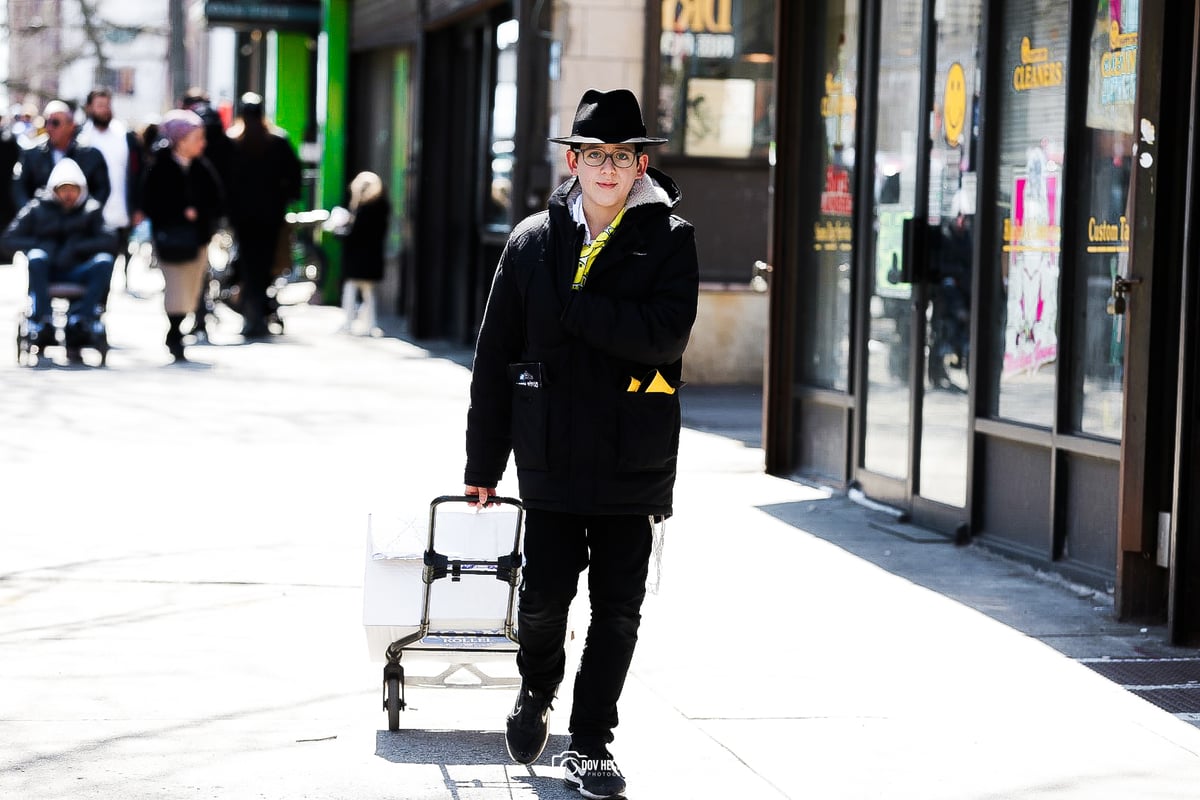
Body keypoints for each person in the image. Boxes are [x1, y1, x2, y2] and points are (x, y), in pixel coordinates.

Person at [462, 88, 698, 800]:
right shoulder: (534, 241)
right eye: (596, 155)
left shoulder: (670, 238)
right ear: (575, 160)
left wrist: (578, 310)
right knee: (543, 599)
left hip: (635, 454)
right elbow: (494, 353)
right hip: (551, 451)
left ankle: (591, 741)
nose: (608, 168)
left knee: (618, 609)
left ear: (638, 166)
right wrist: (483, 464)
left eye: (622, 157)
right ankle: (536, 691)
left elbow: (666, 336)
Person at [0, 158, 119, 358]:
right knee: (36, 258)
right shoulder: (37, 208)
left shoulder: (91, 209)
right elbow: (9, 239)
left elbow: (110, 240)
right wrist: (41, 245)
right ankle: (43, 319)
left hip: (79, 269)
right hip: (48, 271)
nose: (68, 194)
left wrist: (78, 247)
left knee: (104, 261)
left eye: (73, 189)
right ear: (54, 189)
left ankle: (83, 319)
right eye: (63, 189)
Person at [140, 110, 225, 363]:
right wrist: (179, 212)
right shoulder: (160, 166)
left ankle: (177, 330)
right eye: (196, 137)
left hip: (198, 238)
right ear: (180, 139)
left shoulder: (202, 167)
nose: (202, 143)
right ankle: (175, 334)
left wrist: (199, 213)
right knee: (176, 288)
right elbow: (149, 201)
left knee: (192, 288)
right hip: (169, 238)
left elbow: (217, 199)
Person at [225, 92, 302, 338]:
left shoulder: (235, 142)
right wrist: (283, 198)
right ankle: (257, 314)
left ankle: (253, 314)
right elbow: (294, 177)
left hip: (245, 217)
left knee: (249, 264)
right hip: (269, 216)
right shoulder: (277, 141)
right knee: (265, 264)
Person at [77, 88, 145, 288]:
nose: (104, 110)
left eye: (107, 106)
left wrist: (138, 207)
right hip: (88, 215)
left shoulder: (125, 136)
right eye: (99, 106)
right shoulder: (81, 137)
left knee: (111, 262)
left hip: (119, 211)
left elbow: (138, 172)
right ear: (89, 108)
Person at [13, 100, 111, 211]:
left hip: (79, 225)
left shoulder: (90, 155)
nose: (49, 128)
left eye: (55, 123)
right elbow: (19, 188)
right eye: (46, 122)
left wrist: (85, 215)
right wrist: (33, 214)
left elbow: (102, 189)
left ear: (71, 125)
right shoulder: (31, 154)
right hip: (43, 224)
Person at [335, 171, 390, 335]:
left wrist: (339, 232)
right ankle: (370, 323)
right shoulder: (382, 206)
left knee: (351, 289)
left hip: (358, 258)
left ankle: (350, 322)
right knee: (368, 292)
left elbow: (355, 234)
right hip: (372, 257)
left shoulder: (364, 209)